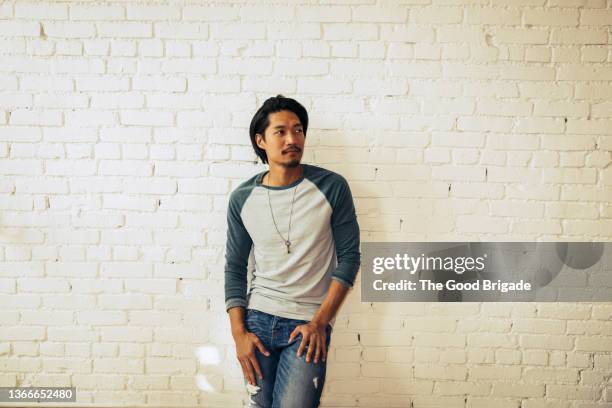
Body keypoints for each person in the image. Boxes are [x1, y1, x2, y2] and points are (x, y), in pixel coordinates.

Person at [224, 95, 361, 407]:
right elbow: (234, 267)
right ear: (261, 141)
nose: (292, 139)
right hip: (257, 322)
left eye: (298, 131)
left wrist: (320, 322)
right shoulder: (242, 198)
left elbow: (350, 258)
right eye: (281, 132)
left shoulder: (332, 187)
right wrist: (238, 334)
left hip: (307, 326)